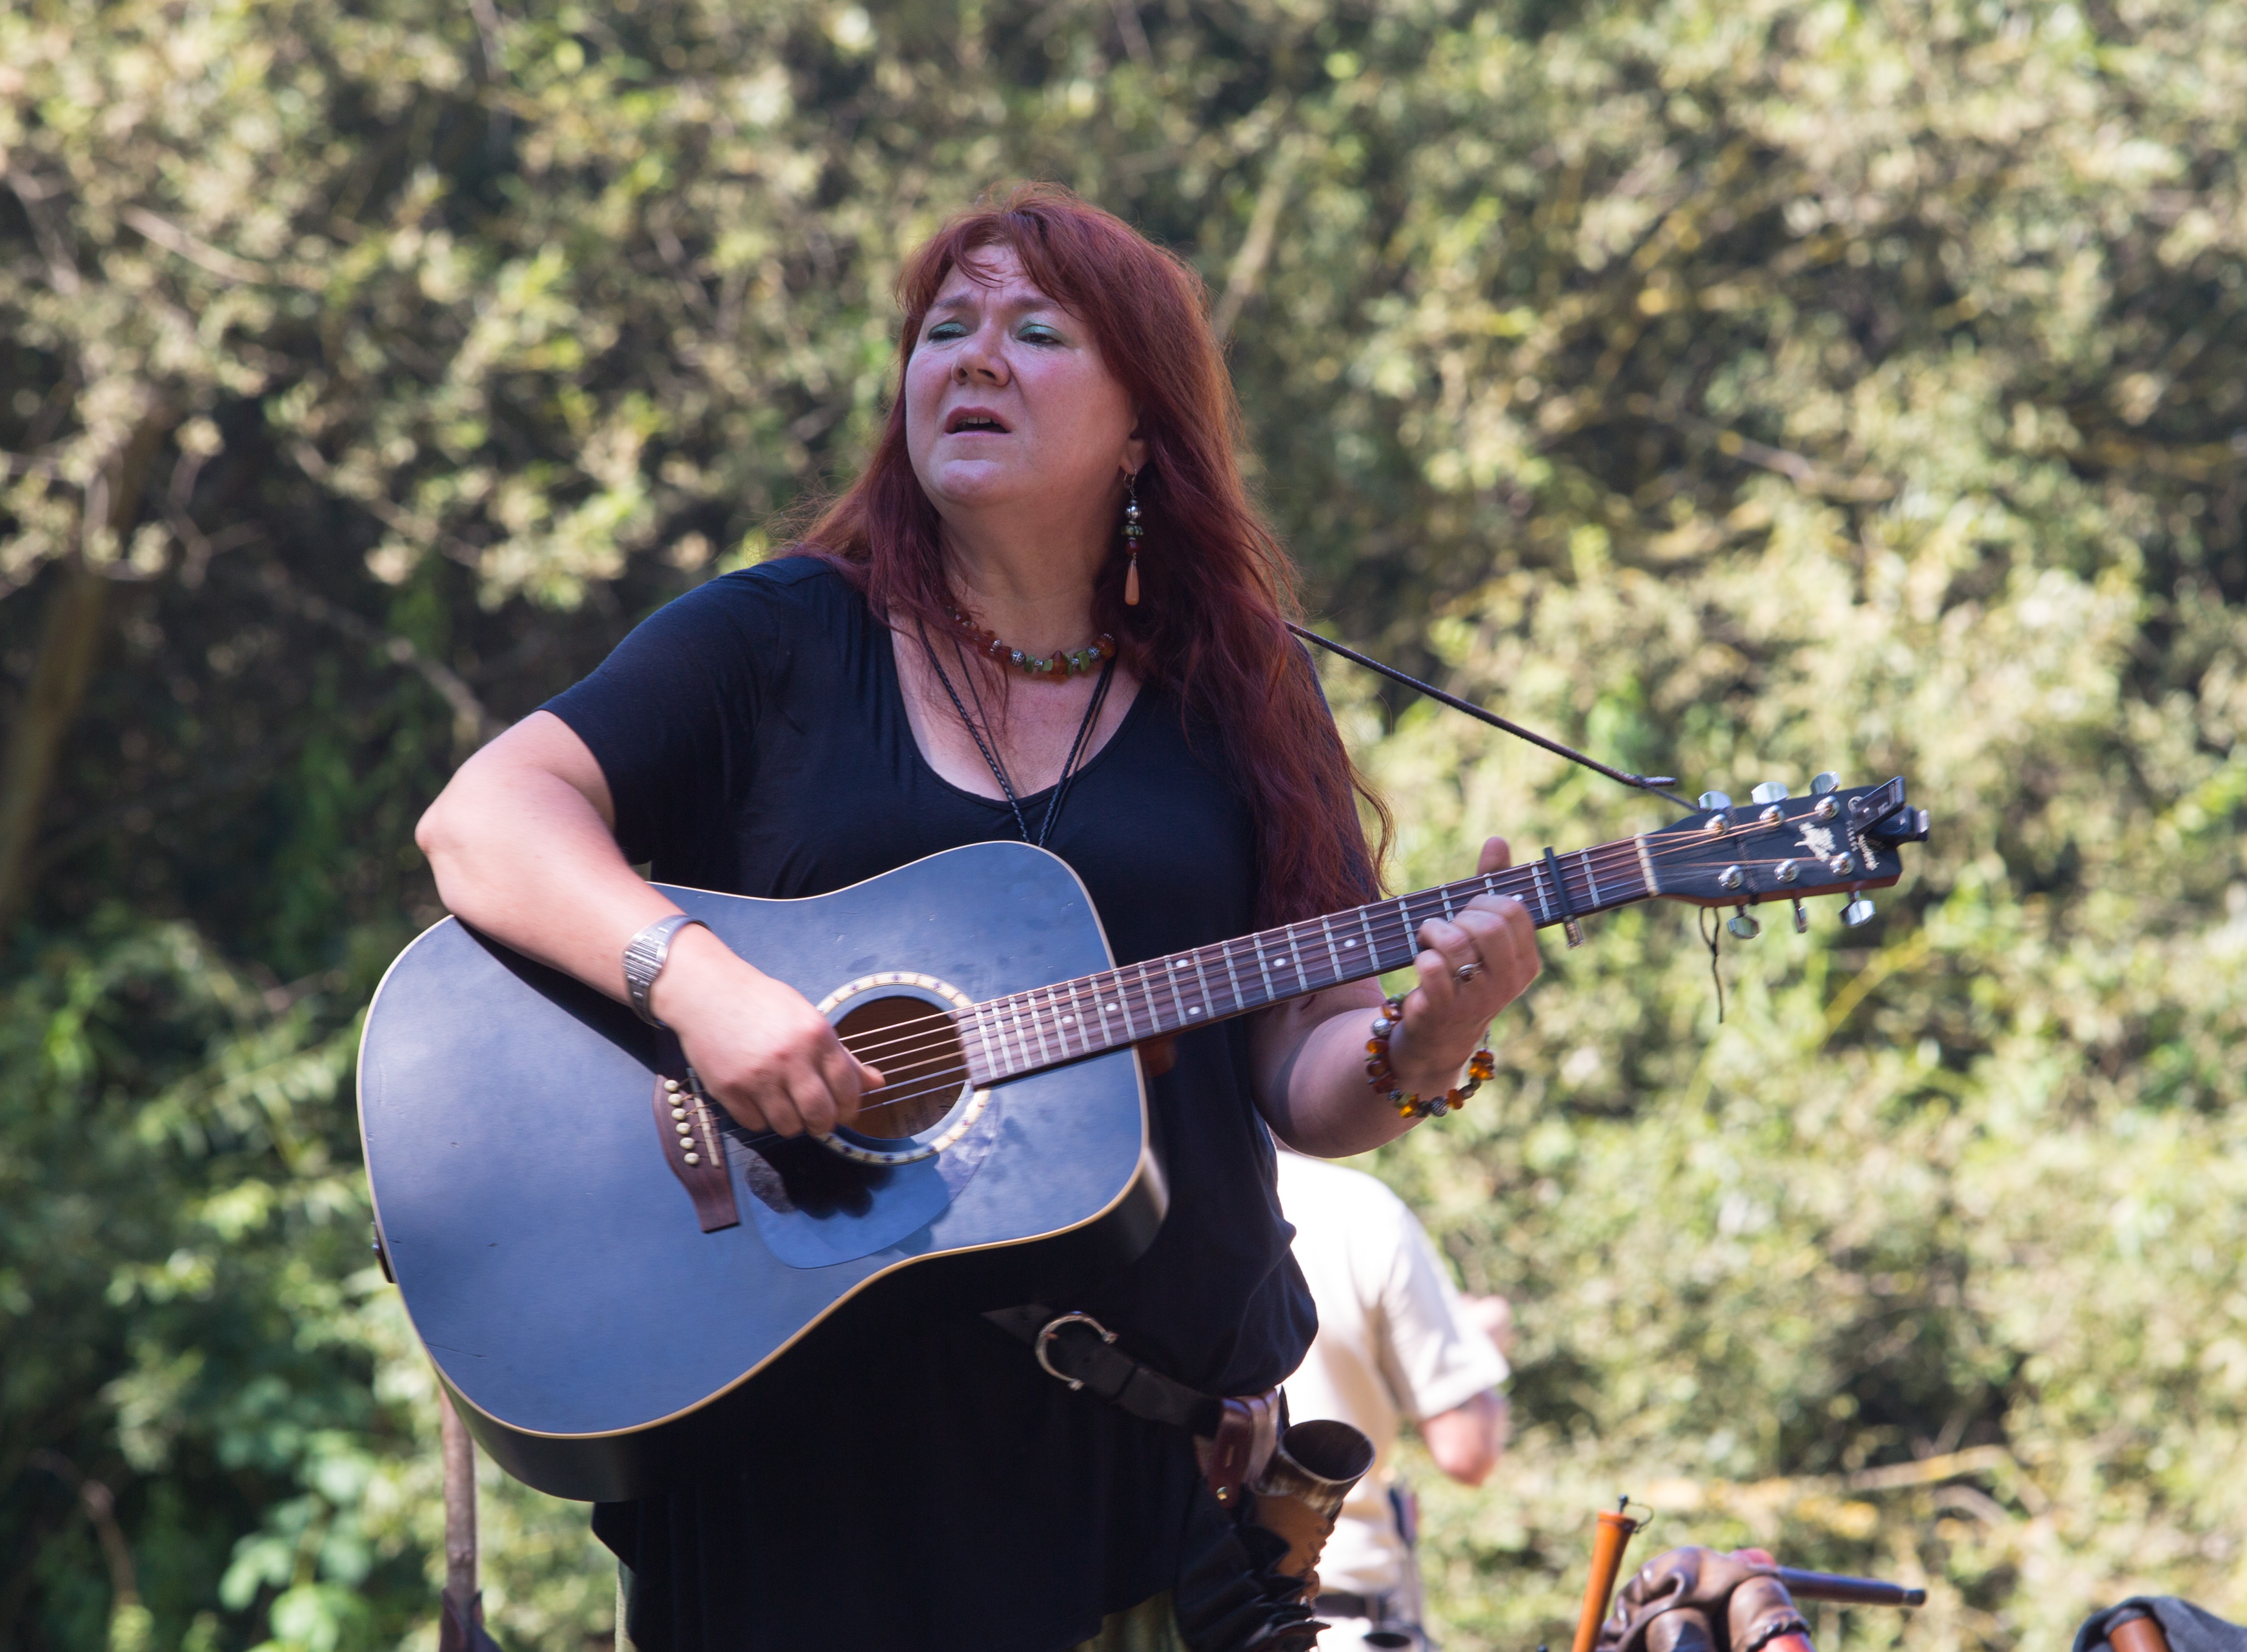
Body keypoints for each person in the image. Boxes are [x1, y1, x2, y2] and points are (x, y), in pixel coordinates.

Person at [413, 183, 1544, 1652]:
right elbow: (484, 819)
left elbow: (1307, 1073)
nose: (976, 357)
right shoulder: (774, 640)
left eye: (1038, 332)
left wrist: (1424, 1045)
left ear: (1142, 429)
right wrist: (698, 986)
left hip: (1135, 1470)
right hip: (794, 1467)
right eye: (945, 328)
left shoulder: (1239, 693)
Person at [1275, 1147, 1512, 1651]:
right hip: (1331, 1615)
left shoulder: (1128, 1185)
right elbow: (1466, 1450)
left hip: (1166, 1608)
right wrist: (1478, 1345)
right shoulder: (1357, 1208)